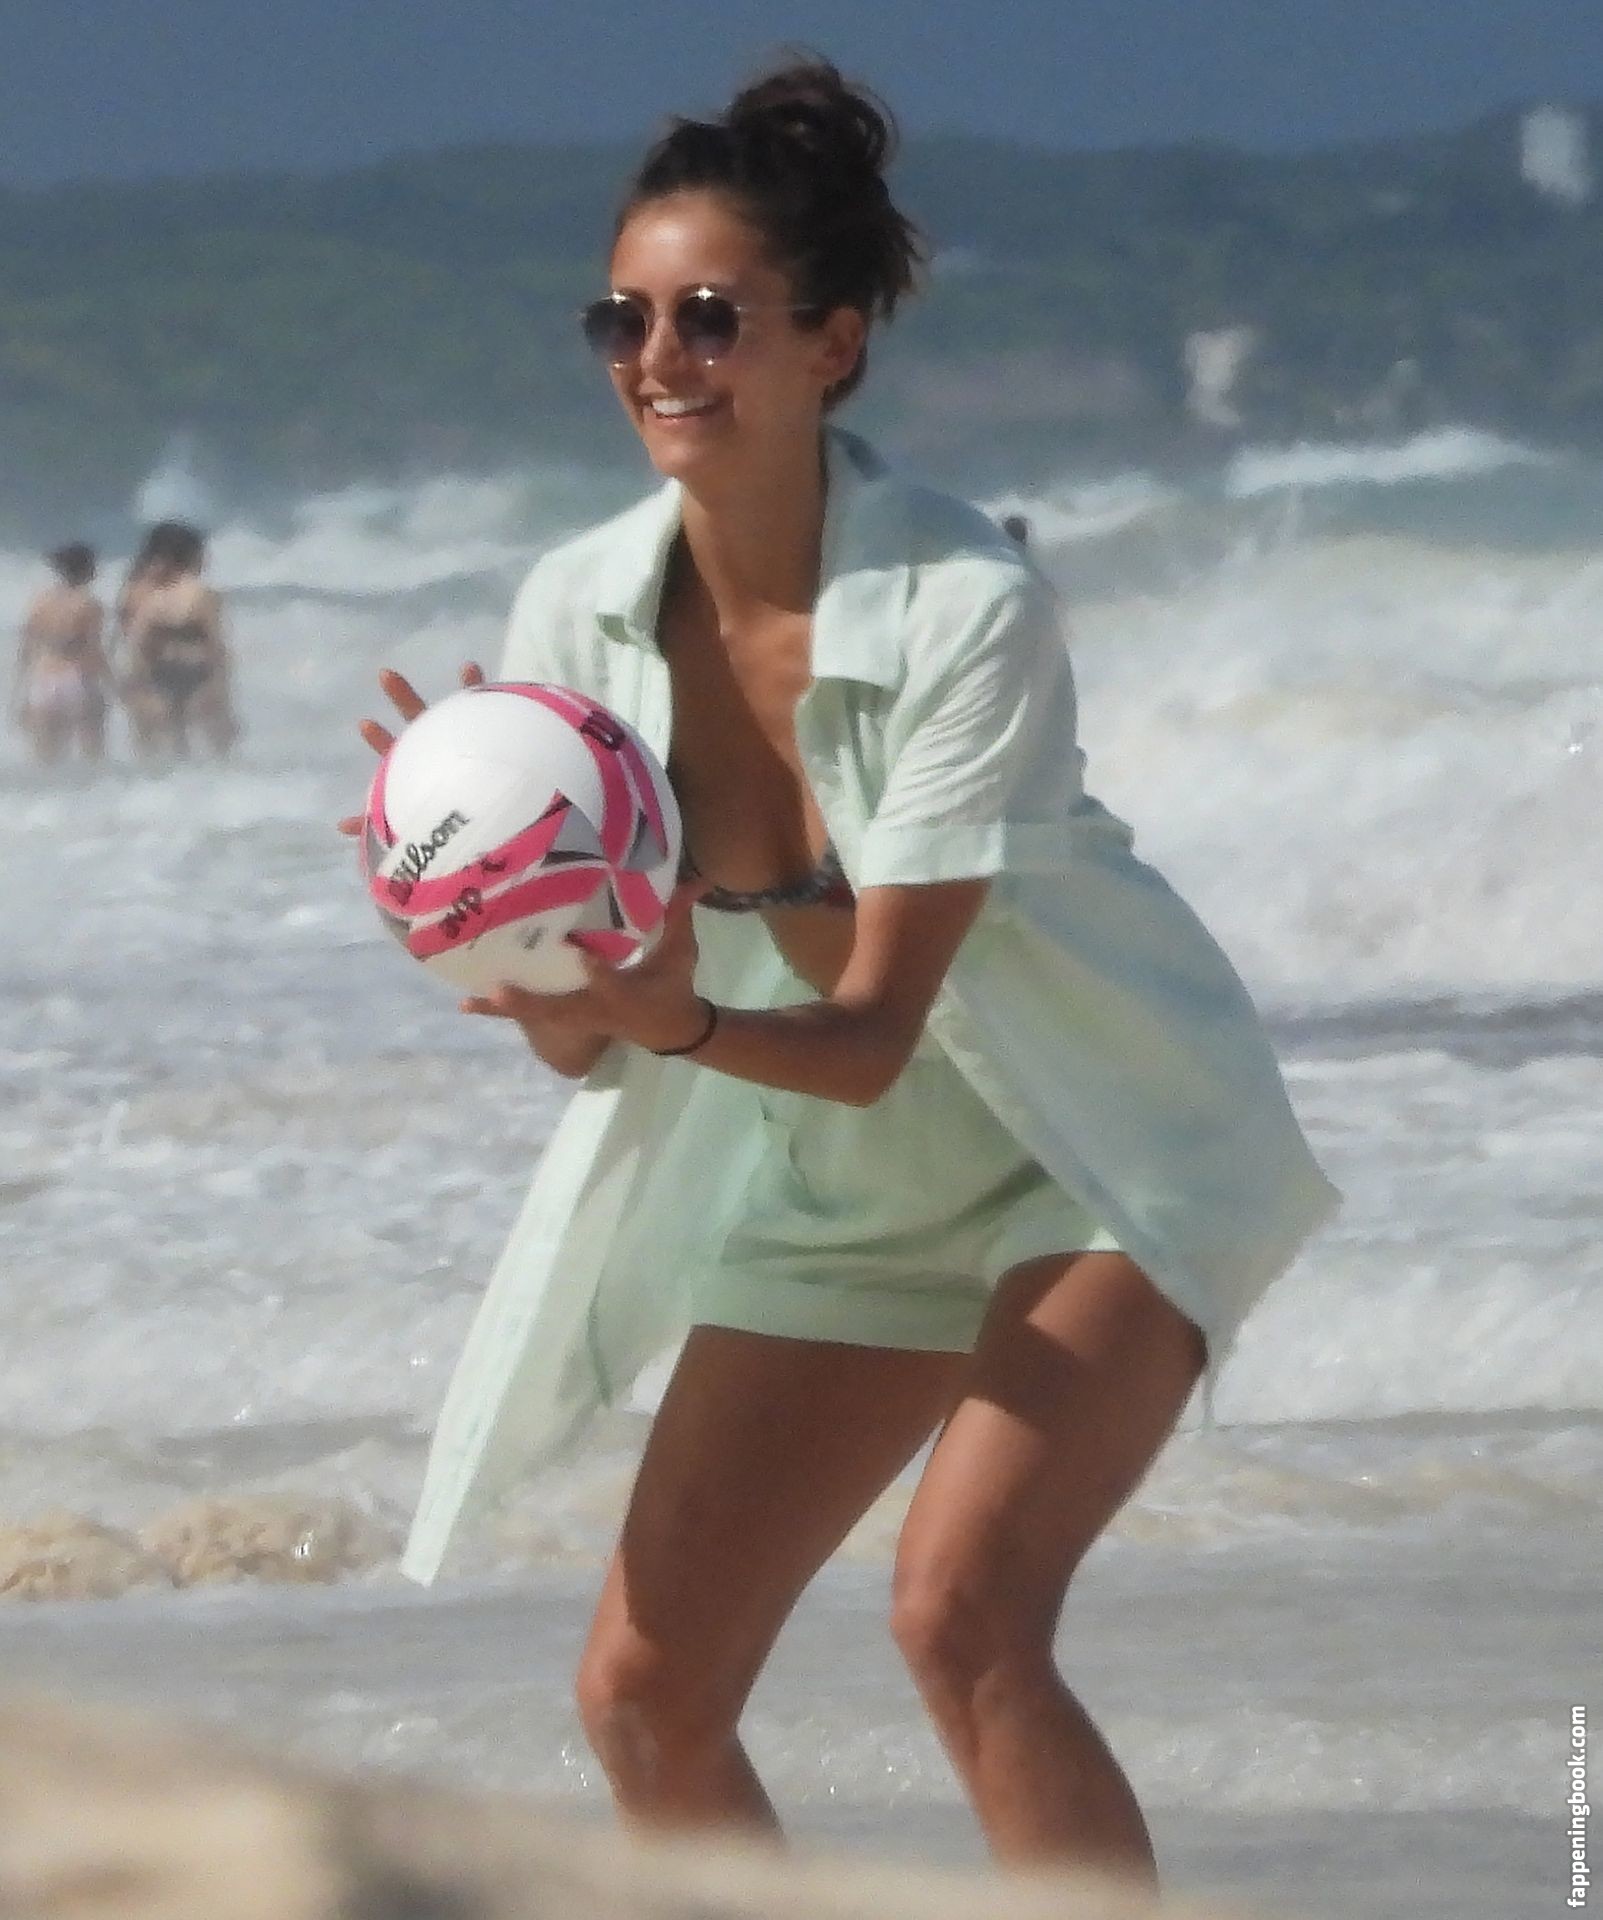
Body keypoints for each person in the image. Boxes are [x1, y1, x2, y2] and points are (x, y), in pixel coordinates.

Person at [362, 60, 1338, 1887]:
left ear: (831, 346)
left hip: (1089, 1152)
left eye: (709, 317)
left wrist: (671, 1012)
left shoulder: (966, 607)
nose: (659, 358)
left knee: (959, 1613)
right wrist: (512, 943)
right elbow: (594, 1049)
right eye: (623, 320)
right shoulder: (571, 615)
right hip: (832, 1180)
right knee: (642, 1696)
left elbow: (883, 1024)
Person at [121, 521, 238, 758]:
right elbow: (215, 645)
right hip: (197, 674)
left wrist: (134, 683)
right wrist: (222, 687)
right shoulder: (202, 594)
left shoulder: (151, 597)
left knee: (160, 752)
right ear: (192, 556)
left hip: (159, 675)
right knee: (220, 751)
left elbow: (138, 644)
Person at [12, 542, 111, 765]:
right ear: (86, 569)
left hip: (43, 678)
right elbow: (93, 649)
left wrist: (18, 693)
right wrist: (111, 682)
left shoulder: (41, 601)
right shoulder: (89, 604)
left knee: (46, 757)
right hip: (76, 676)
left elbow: (26, 648)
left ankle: (48, 790)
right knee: (92, 750)